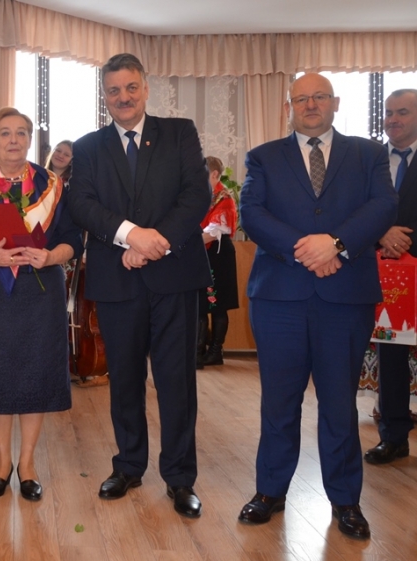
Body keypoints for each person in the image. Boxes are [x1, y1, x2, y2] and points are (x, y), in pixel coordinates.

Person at [237, 73, 397, 540]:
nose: (310, 105)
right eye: (301, 98)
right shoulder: (263, 156)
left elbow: (383, 205)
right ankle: (270, 491)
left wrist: (337, 244)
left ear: (335, 102)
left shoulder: (368, 153)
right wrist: (307, 249)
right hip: (279, 298)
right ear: (289, 106)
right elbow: (252, 213)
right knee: (279, 402)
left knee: (339, 403)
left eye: (319, 97)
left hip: (344, 298)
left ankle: (346, 500)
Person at [68, 53, 211, 519]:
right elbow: (81, 204)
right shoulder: (88, 147)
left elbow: (197, 195)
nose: (123, 97)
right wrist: (131, 236)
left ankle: (180, 478)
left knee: (176, 382)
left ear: (146, 89)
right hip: (117, 279)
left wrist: (156, 242)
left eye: (131, 87)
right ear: (104, 96)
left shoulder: (180, 132)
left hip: (174, 278)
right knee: (124, 380)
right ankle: (129, 466)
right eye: (114, 90)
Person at [0, 108, 82, 501]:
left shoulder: (54, 187)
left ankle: (27, 464)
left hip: (41, 293)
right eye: (5, 133)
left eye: (21, 133)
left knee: (35, 373)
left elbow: (73, 240)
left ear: (30, 140)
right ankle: (2, 461)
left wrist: (51, 256)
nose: (13, 140)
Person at [364, 88, 417, 465]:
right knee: (392, 355)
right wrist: (382, 233)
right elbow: (353, 208)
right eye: (389, 112)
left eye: (403, 112)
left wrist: (404, 240)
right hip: (385, 274)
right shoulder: (369, 161)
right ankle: (394, 436)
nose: (393, 119)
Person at [197, 156, 239, 368]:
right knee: (201, 304)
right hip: (203, 253)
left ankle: (215, 352)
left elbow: (212, 233)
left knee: (217, 305)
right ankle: (199, 351)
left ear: (214, 174)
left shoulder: (224, 198)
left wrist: (184, 243)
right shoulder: (205, 196)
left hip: (218, 255)